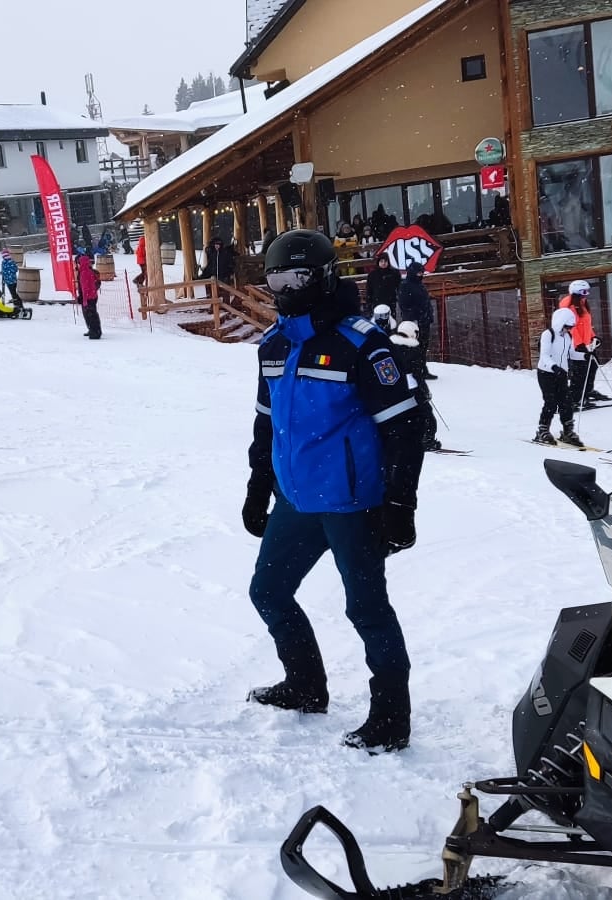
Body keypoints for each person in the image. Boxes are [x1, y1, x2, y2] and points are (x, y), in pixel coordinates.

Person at [241, 229, 425, 753]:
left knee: (367, 609)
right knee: (268, 591)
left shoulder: (360, 343)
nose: (286, 289)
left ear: (323, 277)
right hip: (296, 501)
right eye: (276, 278)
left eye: (297, 277)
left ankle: (390, 717)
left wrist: (400, 503)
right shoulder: (274, 344)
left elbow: (405, 427)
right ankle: (304, 684)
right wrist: (258, 486)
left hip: (353, 504)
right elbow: (266, 424)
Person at [533, 306, 582, 447]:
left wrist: (585, 355)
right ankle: (543, 430)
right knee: (551, 402)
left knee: (566, 402)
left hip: (561, 374)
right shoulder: (548, 334)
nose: (568, 330)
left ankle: (568, 431)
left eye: (570, 327)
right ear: (560, 323)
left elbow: (571, 354)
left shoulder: (568, 337)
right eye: (567, 327)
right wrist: (554, 367)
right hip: (546, 373)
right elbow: (544, 355)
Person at [390, 321, 443, 452]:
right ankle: (427, 440)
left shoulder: (390, 346)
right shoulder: (413, 350)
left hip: (395, 387)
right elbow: (417, 374)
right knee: (426, 414)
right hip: (412, 388)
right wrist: (424, 391)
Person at [558, 281, 607, 406]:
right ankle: (575, 398)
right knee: (580, 372)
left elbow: (586, 325)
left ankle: (587, 391)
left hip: (586, 344)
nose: (586, 294)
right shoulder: (569, 307)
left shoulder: (582, 304)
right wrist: (579, 344)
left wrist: (593, 337)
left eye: (587, 291)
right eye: (584, 292)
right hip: (576, 346)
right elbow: (572, 328)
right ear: (576, 292)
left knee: (592, 366)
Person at [396, 263, 436, 379]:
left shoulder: (419, 284)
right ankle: (415, 371)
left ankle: (422, 370)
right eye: (419, 272)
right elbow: (404, 305)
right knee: (415, 347)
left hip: (424, 320)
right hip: (414, 322)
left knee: (423, 346)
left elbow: (424, 302)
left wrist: (428, 314)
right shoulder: (405, 285)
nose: (421, 274)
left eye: (422, 272)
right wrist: (415, 317)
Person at [75, 249, 104, 340]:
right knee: (90, 314)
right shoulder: (86, 271)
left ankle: (95, 332)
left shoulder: (84, 272)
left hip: (88, 297)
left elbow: (85, 287)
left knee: (91, 315)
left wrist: (84, 299)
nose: (77, 265)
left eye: (78, 263)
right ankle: (93, 330)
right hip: (91, 296)